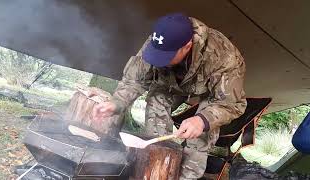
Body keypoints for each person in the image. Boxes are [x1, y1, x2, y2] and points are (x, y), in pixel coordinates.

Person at [92, 13, 247, 179]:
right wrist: (117, 102)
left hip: (211, 94)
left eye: (166, 56)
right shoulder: (158, 42)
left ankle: (185, 177)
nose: (159, 60)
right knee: (156, 101)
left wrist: (202, 120)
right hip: (170, 83)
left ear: (187, 46)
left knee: (201, 134)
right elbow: (136, 79)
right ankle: (154, 167)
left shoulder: (224, 58)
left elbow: (231, 104)